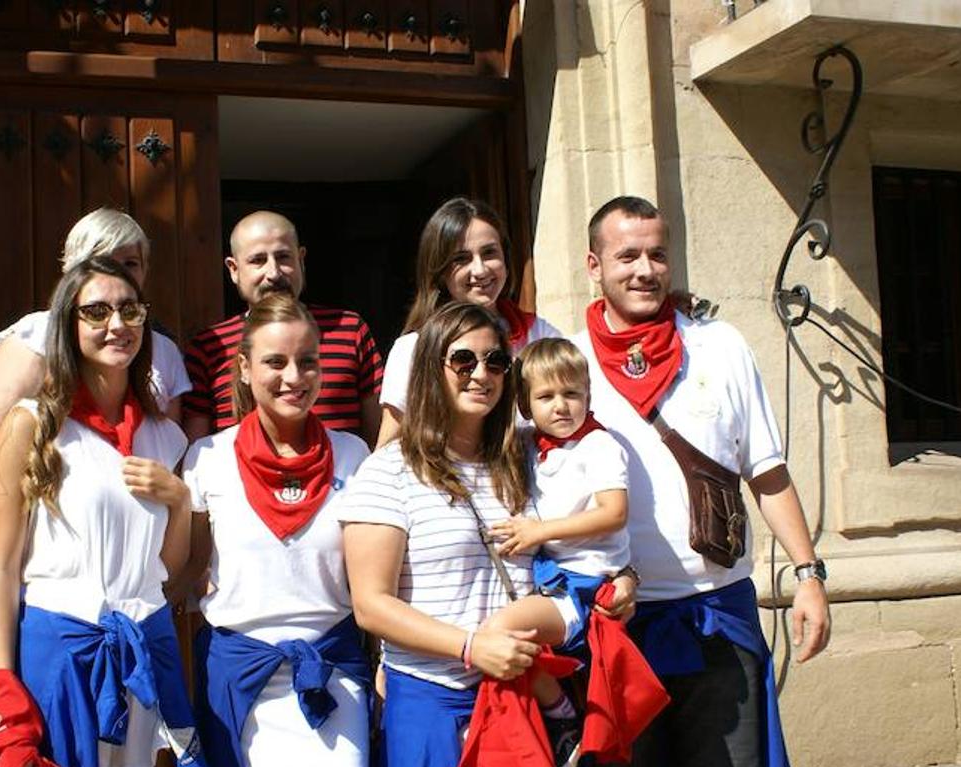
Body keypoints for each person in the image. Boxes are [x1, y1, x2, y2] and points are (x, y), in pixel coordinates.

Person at [574, 196, 830, 767]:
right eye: (628, 255)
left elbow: (768, 471)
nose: (646, 269)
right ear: (595, 265)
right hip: (617, 627)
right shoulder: (564, 363)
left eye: (657, 253)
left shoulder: (719, 346)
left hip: (717, 613)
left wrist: (807, 575)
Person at [0, 257, 224, 767]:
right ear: (69, 324)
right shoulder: (33, 424)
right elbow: (4, 568)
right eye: (96, 311)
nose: (117, 323)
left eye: (130, 309)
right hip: (61, 652)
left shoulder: (165, 433)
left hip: (145, 647)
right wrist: (1, 681)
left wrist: (177, 500)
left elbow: (170, 573)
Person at [341, 300, 573, 767]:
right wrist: (473, 646)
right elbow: (371, 605)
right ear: (429, 370)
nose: (482, 373)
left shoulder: (531, 458)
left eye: (496, 361)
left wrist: (615, 582)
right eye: (463, 358)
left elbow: (583, 549)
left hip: (527, 696)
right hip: (438, 702)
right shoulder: (388, 473)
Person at [183, 294, 371, 767]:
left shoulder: (354, 455)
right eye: (276, 362)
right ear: (242, 368)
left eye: (309, 361)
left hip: (330, 668)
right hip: (238, 675)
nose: (295, 377)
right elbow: (185, 574)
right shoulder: (206, 459)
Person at [0, 207, 191, 609]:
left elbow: (167, 457)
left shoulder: (164, 351)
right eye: (100, 258)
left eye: (130, 263)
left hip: (134, 574)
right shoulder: (36, 336)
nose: (116, 271)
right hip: (58, 559)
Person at [482, 337, 633, 731]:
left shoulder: (598, 445)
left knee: (500, 631)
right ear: (525, 404)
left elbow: (614, 513)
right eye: (546, 396)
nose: (561, 406)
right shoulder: (530, 444)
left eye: (571, 393)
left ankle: (560, 712)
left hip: (582, 584)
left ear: (588, 394)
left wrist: (539, 532)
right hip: (551, 579)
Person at [183, 211, 383, 446]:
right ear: (233, 269)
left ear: (301, 259)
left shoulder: (350, 331)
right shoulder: (209, 348)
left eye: (283, 257)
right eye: (258, 260)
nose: (274, 273)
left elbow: (382, 439)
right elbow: (198, 452)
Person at [376, 197, 561, 448]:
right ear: (440, 271)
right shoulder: (413, 348)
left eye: (489, 253)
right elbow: (389, 446)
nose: (481, 269)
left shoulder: (541, 335)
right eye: (461, 258)